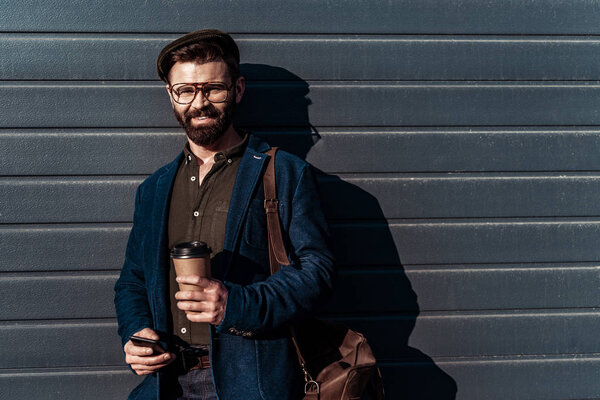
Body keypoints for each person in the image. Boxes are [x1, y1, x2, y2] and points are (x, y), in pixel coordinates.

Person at [113, 29, 335, 400]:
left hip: (251, 383)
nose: (199, 103)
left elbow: (318, 271)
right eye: (185, 91)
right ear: (171, 95)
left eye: (213, 88)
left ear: (237, 89)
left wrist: (238, 304)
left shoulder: (282, 172)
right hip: (165, 383)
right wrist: (136, 333)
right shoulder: (153, 189)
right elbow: (133, 280)